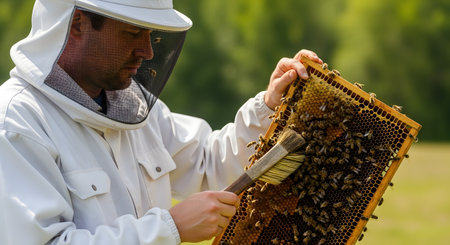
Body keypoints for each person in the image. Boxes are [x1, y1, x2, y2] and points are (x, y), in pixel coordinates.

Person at [0, 0, 322, 244]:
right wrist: (170, 228)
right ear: (79, 23)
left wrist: (268, 106)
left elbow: (209, 166)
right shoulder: (17, 122)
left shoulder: (133, 106)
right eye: (132, 32)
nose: (147, 51)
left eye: (151, 34)